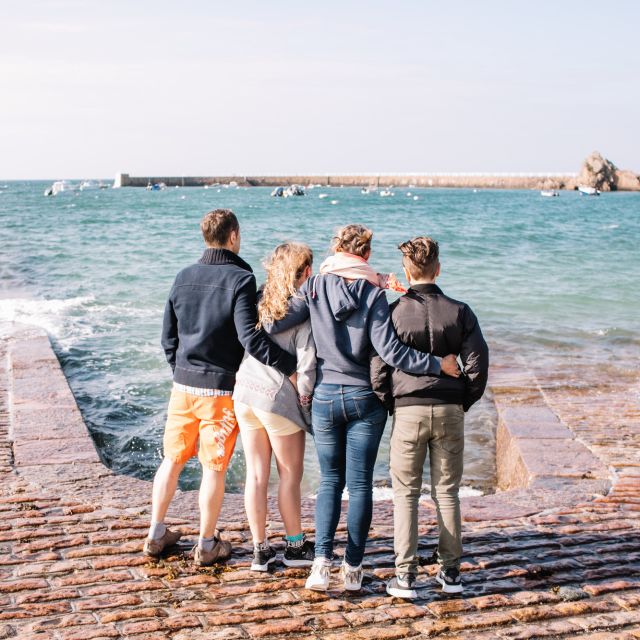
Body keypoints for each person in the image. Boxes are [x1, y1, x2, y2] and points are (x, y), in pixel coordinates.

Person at [265, 224, 461, 591]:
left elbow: (274, 322)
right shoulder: (373, 295)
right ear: (367, 255)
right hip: (364, 400)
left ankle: (320, 565)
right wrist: (438, 365)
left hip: (324, 397)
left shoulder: (314, 287)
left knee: (329, 483)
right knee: (359, 486)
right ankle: (352, 569)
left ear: (337, 249)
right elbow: (392, 353)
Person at [144, 209, 297, 566]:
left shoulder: (183, 277)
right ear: (233, 236)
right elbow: (249, 336)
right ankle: (207, 543)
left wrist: (180, 370)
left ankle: (155, 532)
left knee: (173, 459)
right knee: (213, 467)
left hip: (183, 385)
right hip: (219, 390)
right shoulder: (241, 277)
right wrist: (290, 366)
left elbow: (168, 337)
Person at [371, 236, 489, 597]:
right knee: (447, 493)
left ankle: (405, 576)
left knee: (405, 494)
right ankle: (451, 573)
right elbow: (478, 365)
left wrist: (391, 403)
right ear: (437, 269)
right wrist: (463, 400)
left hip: (408, 410)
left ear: (407, 272)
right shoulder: (460, 311)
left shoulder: (393, 312)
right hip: (450, 408)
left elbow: (378, 368)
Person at [233, 242, 317, 571]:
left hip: (244, 394)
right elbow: (306, 368)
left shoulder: (257, 302)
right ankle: (295, 547)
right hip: (276, 399)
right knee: (289, 476)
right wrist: (307, 402)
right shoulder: (301, 311)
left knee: (256, 475)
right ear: (307, 273)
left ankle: (259, 549)